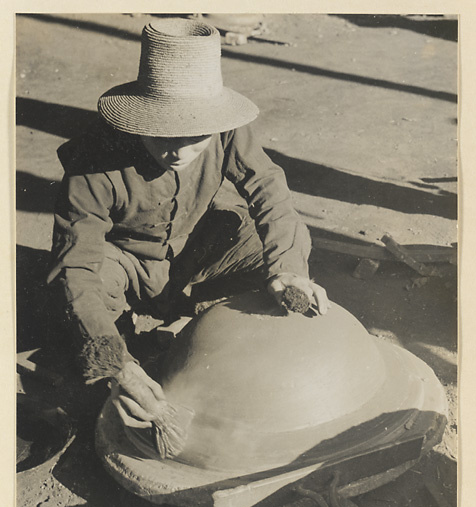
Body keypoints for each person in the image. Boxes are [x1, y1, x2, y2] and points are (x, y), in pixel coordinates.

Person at [47, 18, 329, 446]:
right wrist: (116, 365)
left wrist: (288, 270)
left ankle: (209, 323)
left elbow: (268, 188)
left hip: (193, 255)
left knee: (277, 242)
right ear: (138, 118)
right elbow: (76, 268)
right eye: (162, 135)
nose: (178, 151)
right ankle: (129, 355)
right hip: (130, 268)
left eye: (195, 136)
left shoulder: (228, 127)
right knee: (85, 290)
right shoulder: (92, 160)